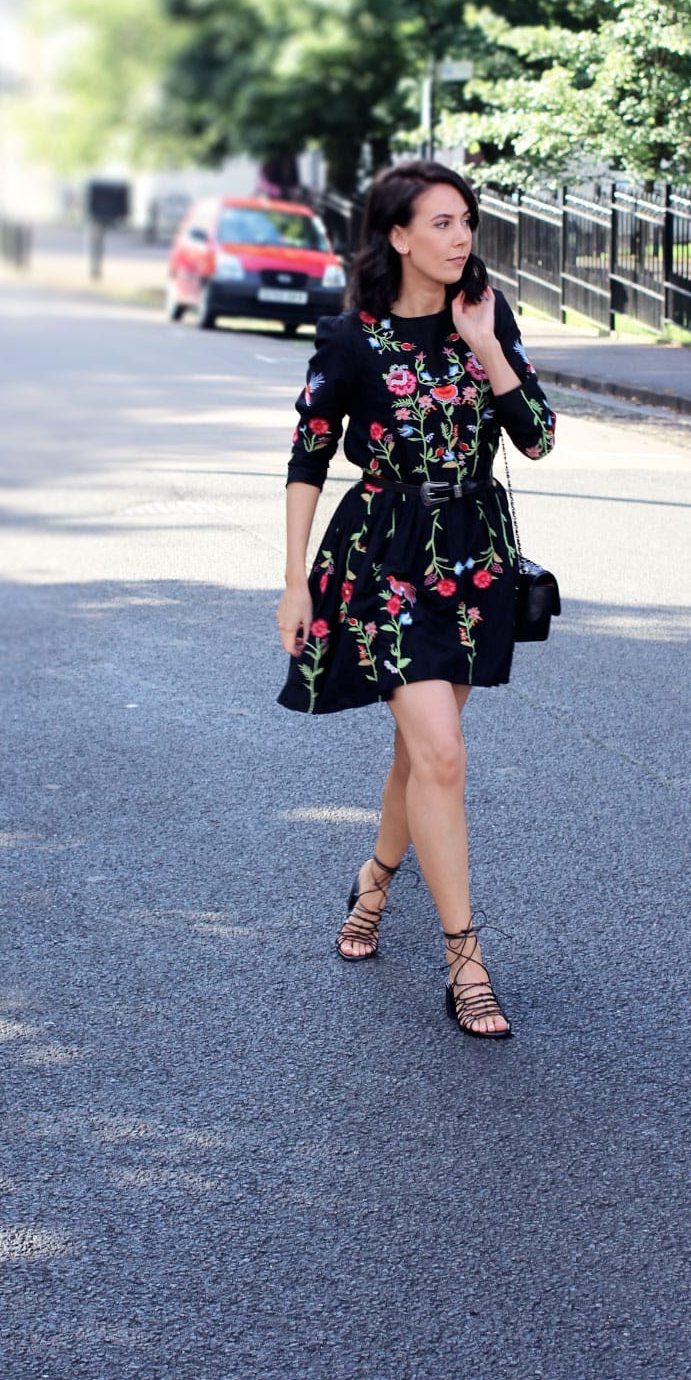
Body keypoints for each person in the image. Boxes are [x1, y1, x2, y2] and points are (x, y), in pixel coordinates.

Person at [276, 160, 556, 1039]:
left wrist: (483, 347)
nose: (461, 236)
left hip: (474, 556)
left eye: (466, 221)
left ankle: (374, 881)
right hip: (384, 558)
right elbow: (308, 460)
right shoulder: (350, 339)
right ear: (397, 235)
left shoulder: (488, 317)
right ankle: (465, 961)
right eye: (440, 223)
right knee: (440, 750)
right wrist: (293, 582)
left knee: (420, 753)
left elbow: (538, 438)